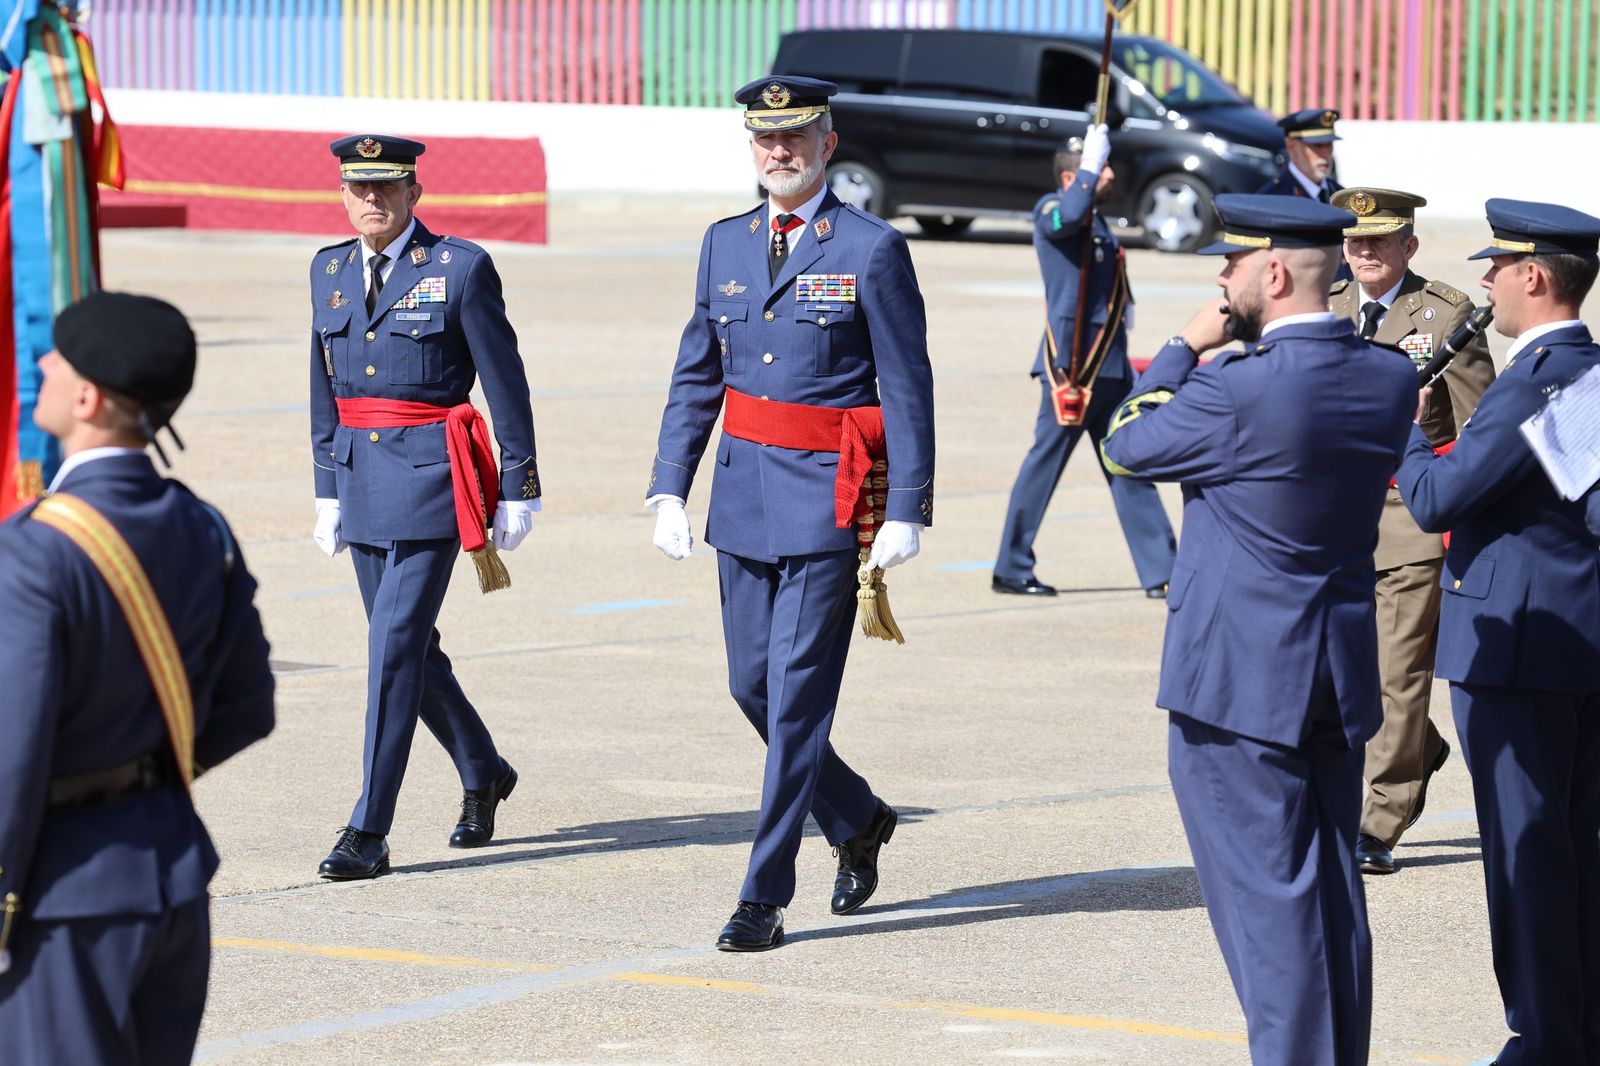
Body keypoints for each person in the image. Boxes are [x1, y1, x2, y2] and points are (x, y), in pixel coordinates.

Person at [1100, 195, 1418, 1066]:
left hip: (1239, 684)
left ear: (1272, 273)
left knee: (1269, 910)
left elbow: (1124, 445)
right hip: (1335, 674)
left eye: (1231, 264)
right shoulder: (1389, 377)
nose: (1220, 279)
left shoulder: (1236, 388)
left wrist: (1181, 345)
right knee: (1331, 901)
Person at [646, 76, 934, 951]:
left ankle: (763, 894)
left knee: (799, 701)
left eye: (797, 136)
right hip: (741, 494)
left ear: (827, 144)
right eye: (766, 138)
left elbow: (907, 383)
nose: (781, 151)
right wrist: (670, 484)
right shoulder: (724, 243)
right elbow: (698, 370)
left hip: (825, 501)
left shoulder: (872, 249)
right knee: (753, 687)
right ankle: (855, 816)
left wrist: (908, 506)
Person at [0, 291, 276, 1064]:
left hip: (63, 900)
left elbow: (12, 753)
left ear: (87, 398)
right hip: (171, 873)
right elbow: (249, 706)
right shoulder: (202, 525)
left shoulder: (32, 551)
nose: (44, 364)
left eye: (58, 357)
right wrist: (141, 776)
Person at [1395, 198, 1600, 1066]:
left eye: (1498, 267)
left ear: (1535, 277)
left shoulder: (1534, 379)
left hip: (1515, 650)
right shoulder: (1588, 369)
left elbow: (1437, 499)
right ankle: (1578, 1033)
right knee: (1575, 852)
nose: (1486, 283)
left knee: (1526, 856)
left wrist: (1405, 428)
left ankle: (1545, 1042)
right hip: (1575, 641)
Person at [309, 135, 540, 879]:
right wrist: (325, 487)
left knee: (391, 649)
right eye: (359, 188)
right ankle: (483, 768)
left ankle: (368, 828)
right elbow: (322, 386)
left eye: (387, 187)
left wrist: (518, 483)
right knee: (410, 649)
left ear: (414, 192)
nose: (372, 200)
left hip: (430, 479)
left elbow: (504, 379)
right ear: (343, 195)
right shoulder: (328, 270)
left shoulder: (458, 268)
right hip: (359, 478)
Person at [1327, 186, 1496, 875]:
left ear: (1409, 246)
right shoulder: (1328, 305)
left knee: (1398, 677)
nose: (1365, 252)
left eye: (1380, 241)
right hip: (1332, 521)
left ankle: (1380, 819)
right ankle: (1418, 748)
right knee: (1342, 670)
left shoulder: (1444, 313)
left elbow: (1482, 427)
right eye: (1355, 240)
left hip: (1407, 521)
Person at [992, 128, 1176, 598]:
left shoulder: (1097, 219)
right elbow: (1067, 217)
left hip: (1109, 367)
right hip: (1072, 369)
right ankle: (1011, 567)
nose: (1109, 173)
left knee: (1128, 461)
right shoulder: (1053, 209)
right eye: (1100, 167)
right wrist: (1090, 169)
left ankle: (1163, 570)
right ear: (1071, 177)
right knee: (1045, 465)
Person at [1258, 108, 1343, 203]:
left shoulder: (1341, 195)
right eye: (1317, 145)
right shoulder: (1272, 198)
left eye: (1329, 145)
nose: (1325, 154)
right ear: (1291, 145)